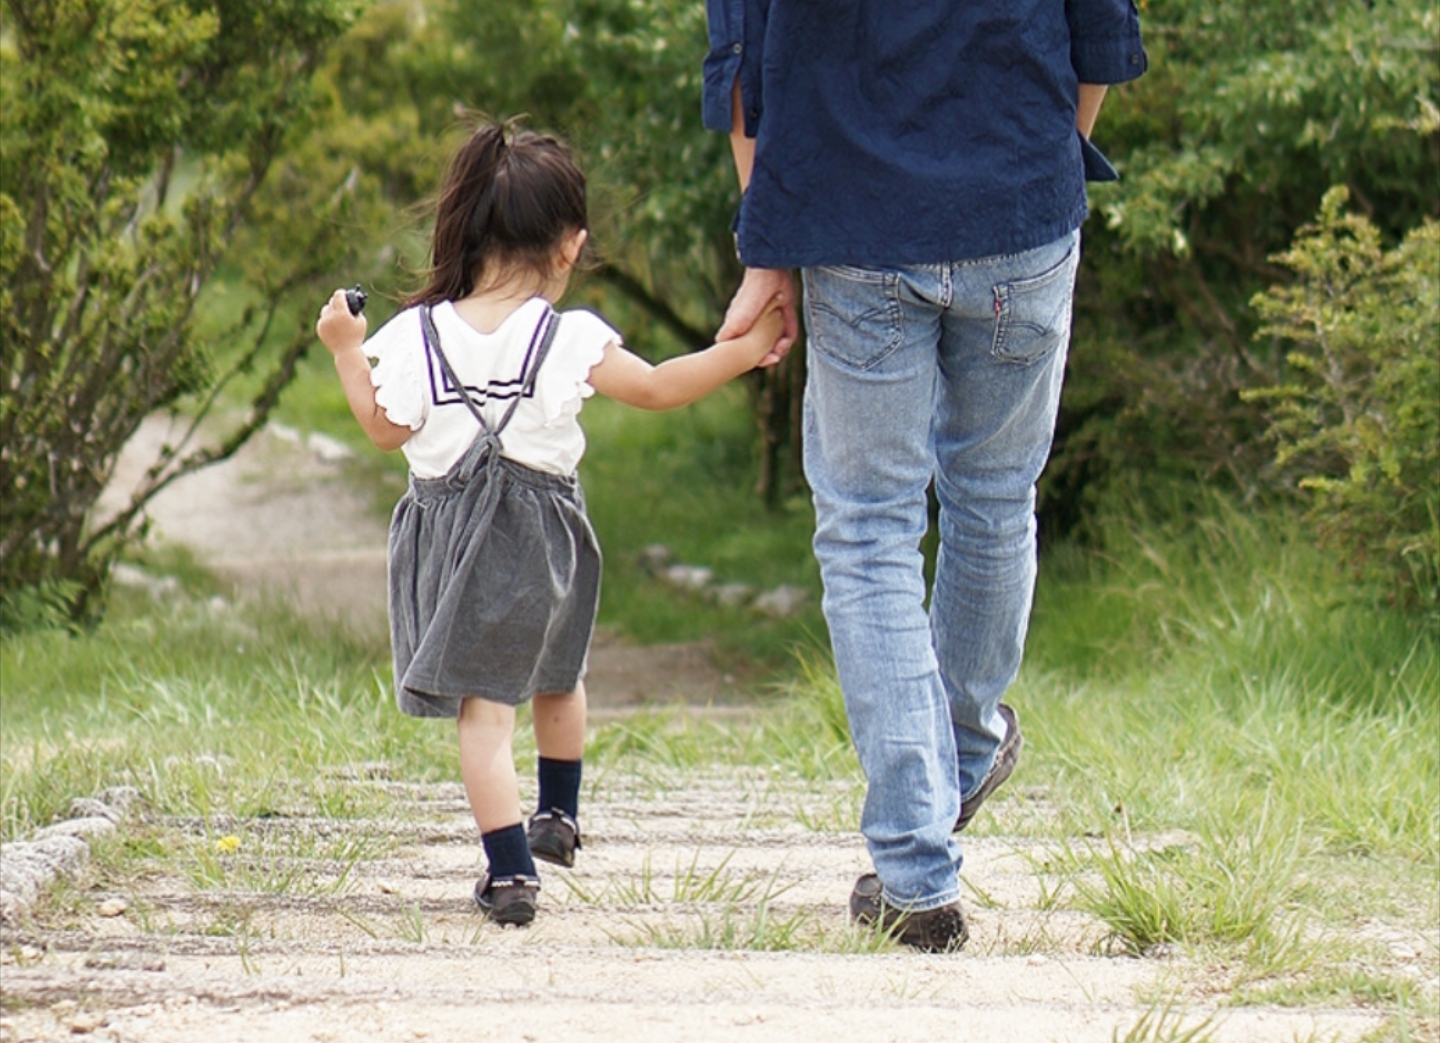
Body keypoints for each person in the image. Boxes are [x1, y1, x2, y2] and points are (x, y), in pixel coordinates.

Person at [702, 2, 1148, 950]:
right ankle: (965, 752)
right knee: (994, 499)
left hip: (852, 218)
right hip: (1021, 201)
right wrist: (1043, 167)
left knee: (868, 528)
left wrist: (765, 244)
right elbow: (1103, 25)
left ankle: (916, 867)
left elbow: (742, 51)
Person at [315, 119, 784, 926]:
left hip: (457, 545)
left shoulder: (414, 338)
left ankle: (509, 874)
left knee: (485, 715)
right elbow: (664, 385)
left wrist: (345, 348)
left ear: (461, 229)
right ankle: (558, 816)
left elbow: (383, 428)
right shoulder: (568, 338)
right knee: (560, 672)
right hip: (549, 537)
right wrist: (749, 348)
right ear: (570, 247)